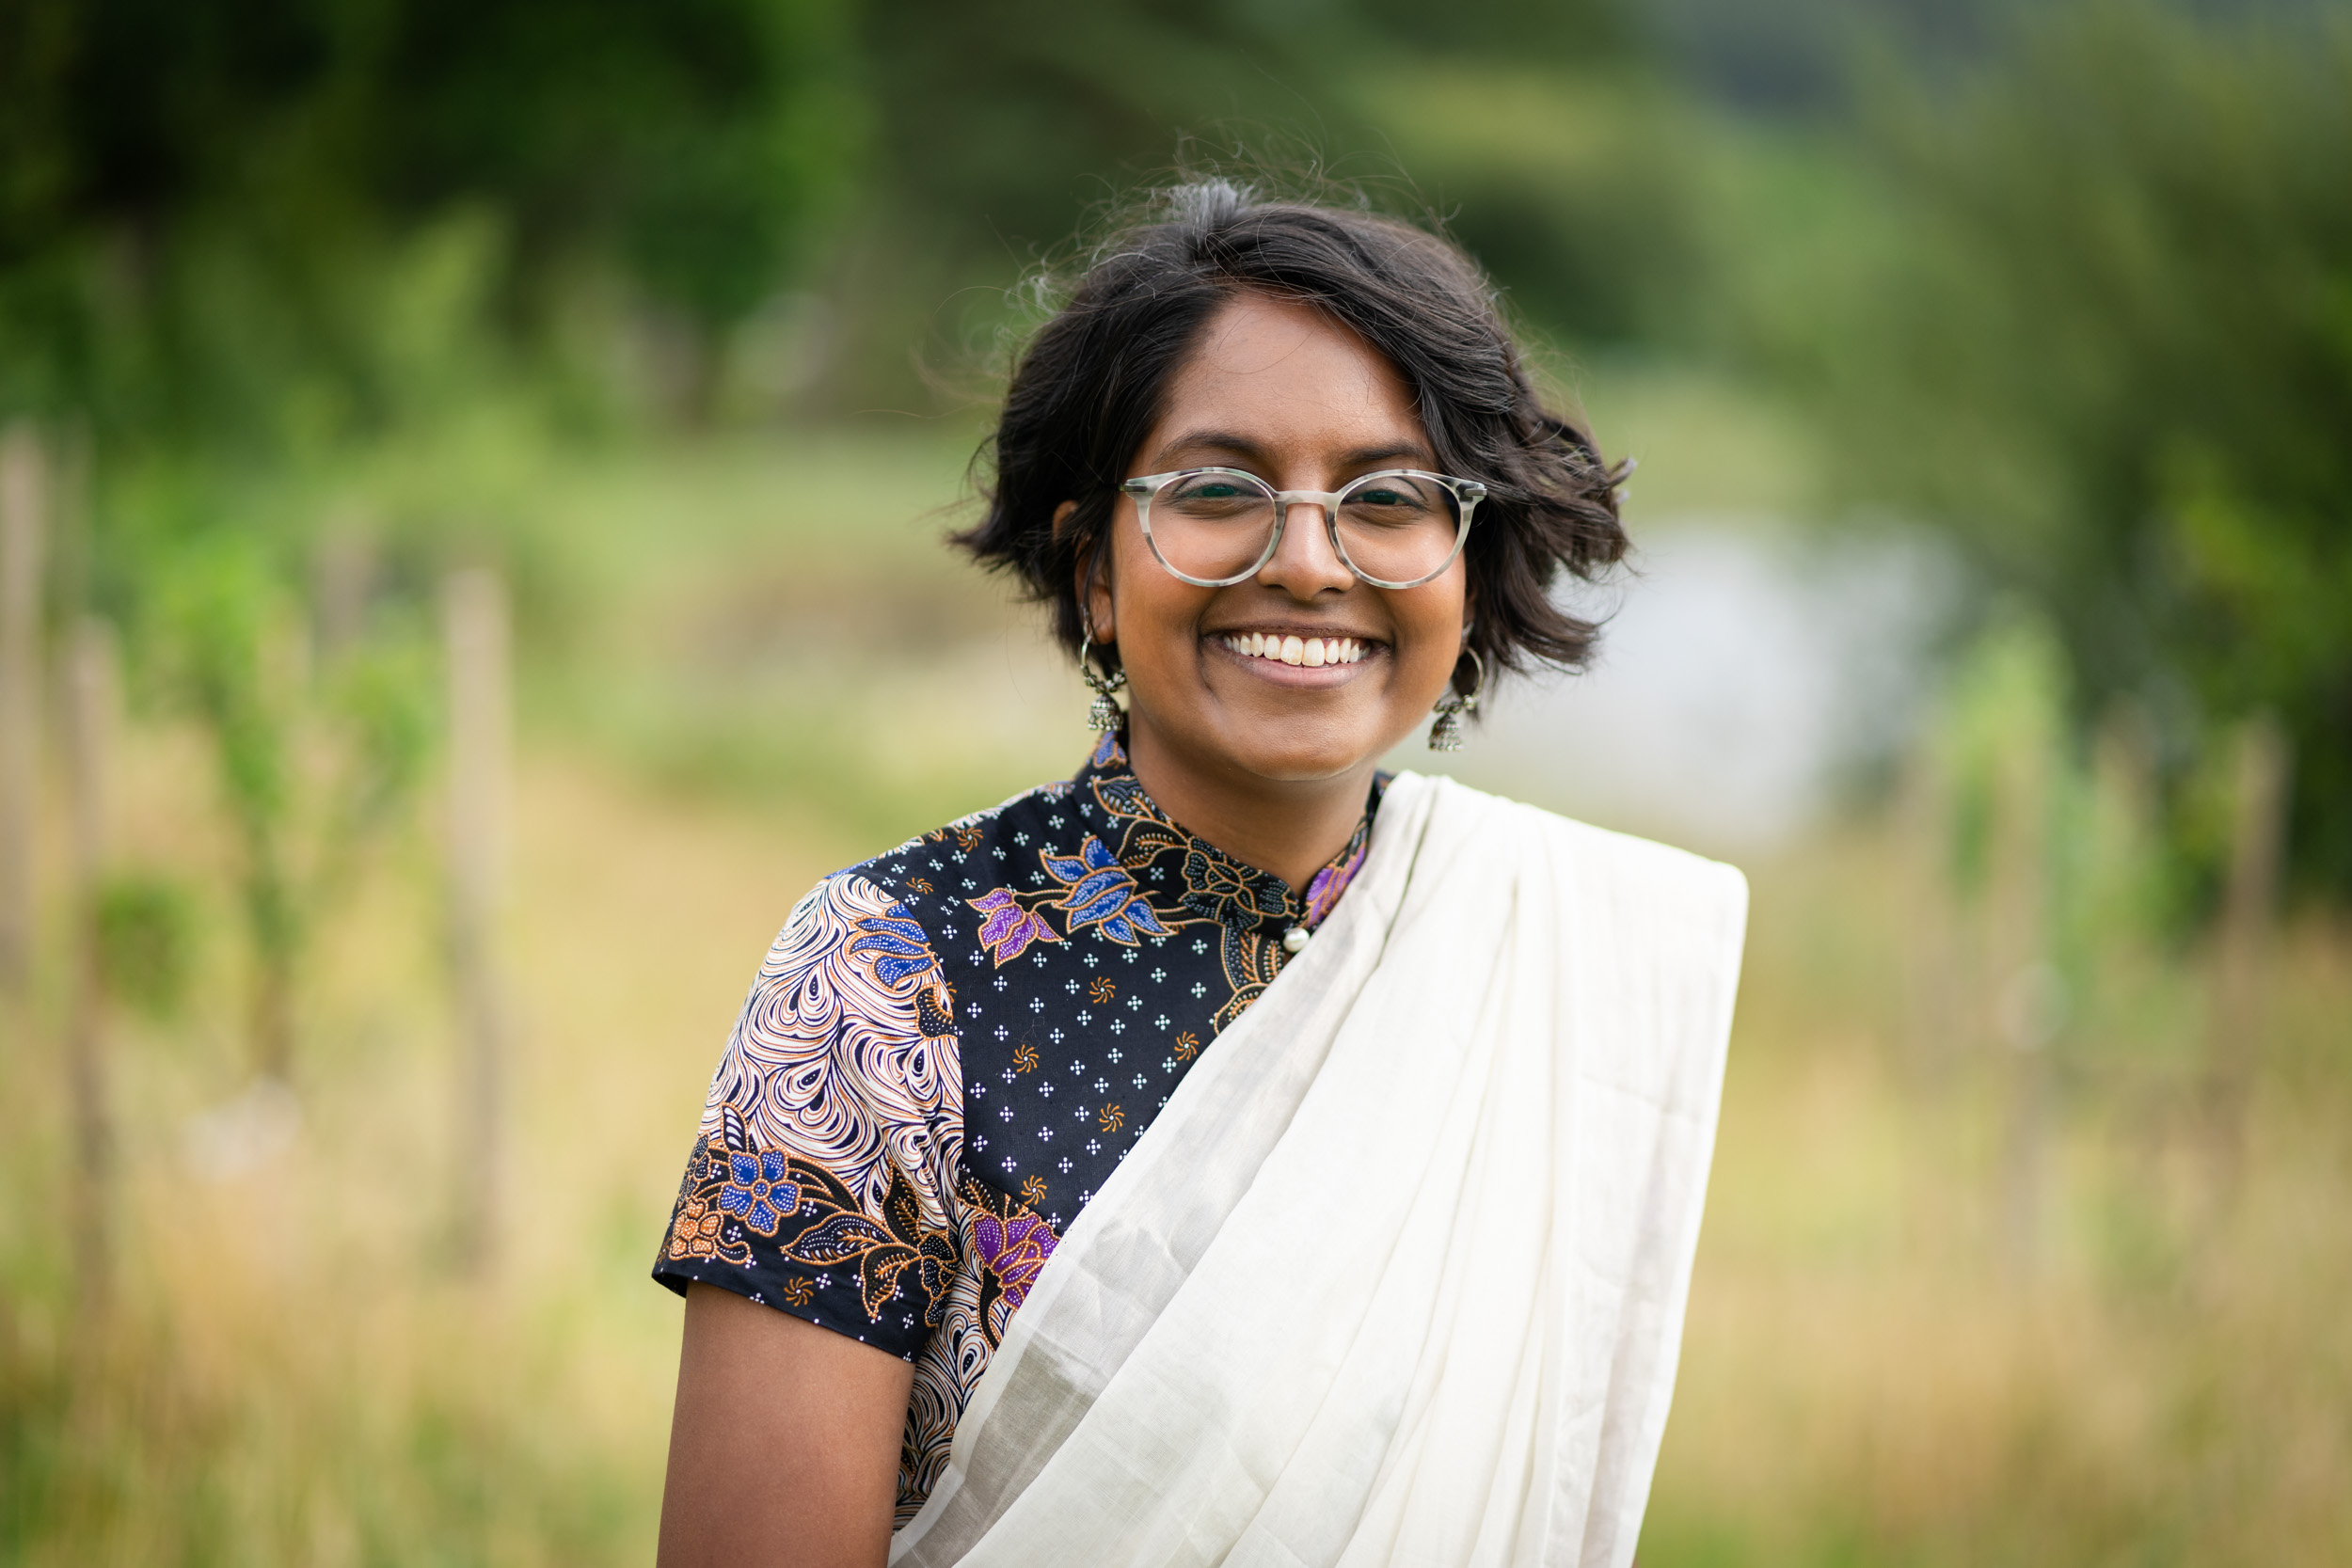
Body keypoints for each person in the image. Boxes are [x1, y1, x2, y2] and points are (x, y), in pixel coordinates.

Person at [651, 181, 1747, 1568]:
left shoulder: (1543, 959)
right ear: (1093, 567)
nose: (1307, 561)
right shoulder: (880, 984)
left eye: (1389, 497)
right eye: (1219, 490)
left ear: (1468, 563)